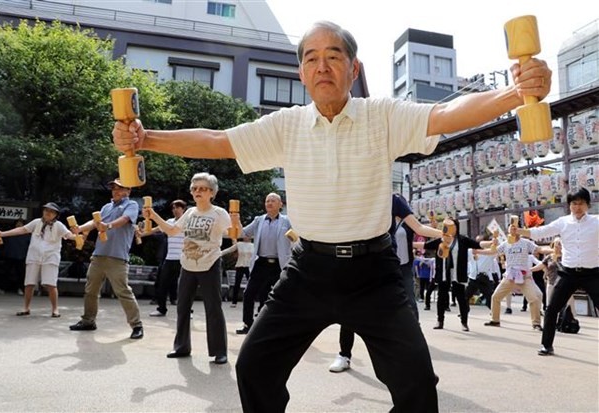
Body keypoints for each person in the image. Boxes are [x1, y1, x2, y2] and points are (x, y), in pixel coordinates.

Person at [113, 20, 551, 412]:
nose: (322, 66)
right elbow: (217, 140)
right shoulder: (286, 126)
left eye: (334, 56)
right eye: (311, 59)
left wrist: (516, 93)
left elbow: (444, 114)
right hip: (309, 271)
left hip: (374, 274)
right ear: (301, 72)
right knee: (254, 368)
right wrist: (145, 137)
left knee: (417, 383)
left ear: (353, 69)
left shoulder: (381, 115)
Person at [329, 193, 442, 373]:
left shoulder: (393, 199)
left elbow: (419, 228)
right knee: (349, 311)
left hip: (388, 264)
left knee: (402, 312)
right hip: (357, 262)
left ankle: (417, 367)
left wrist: (445, 233)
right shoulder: (354, 194)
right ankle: (344, 355)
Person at [143, 173, 231, 364]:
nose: (197, 191)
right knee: (182, 306)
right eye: (194, 188)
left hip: (210, 263)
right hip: (187, 264)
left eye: (202, 188)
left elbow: (234, 233)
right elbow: (173, 230)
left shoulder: (219, 213)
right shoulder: (189, 213)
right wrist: (154, 216)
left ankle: (219, 351)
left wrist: (237, 222)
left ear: (212, 193)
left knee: (213, 307)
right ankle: (182, 347)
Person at [511, 187, 598, 356]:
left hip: (593, 273)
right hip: (568, 273)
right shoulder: (563, 222)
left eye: (581, 203)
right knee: (551, 309)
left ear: (588, 205)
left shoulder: (596, 221)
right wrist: (519, 231)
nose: (577, 207)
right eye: (574, 203)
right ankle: (546, 345)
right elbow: (540, 232)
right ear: (569, 205)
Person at [69, 179, 144, 340]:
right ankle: (88, 321)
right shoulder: (106, 207)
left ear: (128, 191)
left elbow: (124, 220)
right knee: (91, 291)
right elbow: (95, 223)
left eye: (120, 188)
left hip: (117, 257)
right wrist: (80, 228)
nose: (116, 191)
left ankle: (137, 325)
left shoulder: (131, 205)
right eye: (114, 188)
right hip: (98, 255)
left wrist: (107, 226)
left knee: (123, 292)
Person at [0, 203, 76, 317]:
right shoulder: (36, 222)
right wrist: (2, 234)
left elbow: (69, 235)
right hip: (34, 255)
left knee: (51, 284)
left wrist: (77, 236)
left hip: (50, 256)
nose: (48, 212)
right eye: (46, 210)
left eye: (51, 211)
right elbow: (22, 229)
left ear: (55, 215)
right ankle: (26, 308)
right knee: (29, 283)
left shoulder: (59, 225)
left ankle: (55, 309)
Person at [234, 193, 292, 335]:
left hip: (279, 264)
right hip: (261, 263)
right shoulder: (259, 220)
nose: (269, 203)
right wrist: (236, 221)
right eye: (267, 201)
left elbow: (295, 239)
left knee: (282, 295)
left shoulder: (287, 221)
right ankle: (248, 324)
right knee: (249, 293)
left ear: (280, 204)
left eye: (273, 201)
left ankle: (283, 326)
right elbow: (242, 233)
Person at [420, 219, 489, 331]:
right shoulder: (441, 240)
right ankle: (440, 321)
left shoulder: (462, 240)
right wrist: (409, 244)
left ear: (456, 227)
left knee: (461, 298)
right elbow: (425, 245)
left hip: (458, 273)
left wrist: (491, 243)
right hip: (443, 273)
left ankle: (464, 322)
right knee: (441, 297)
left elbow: (478, 244)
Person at [481, 224, 551, 331]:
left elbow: (539, 249)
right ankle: (495, 320)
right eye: (510, 229)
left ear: (519, 230)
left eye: (514, 228)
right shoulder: (506, 244)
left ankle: (536, 324)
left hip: (524, 276)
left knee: (534, 299)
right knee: (495, 297)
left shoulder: (526, 243)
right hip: (509, 276)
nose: (512, 231)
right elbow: (493, 251)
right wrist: (479, 250)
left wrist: (552, 250)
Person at [147, 199, 187, 317]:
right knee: (162, 284)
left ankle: (186, 311)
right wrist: (142, 233)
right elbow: (156, 229)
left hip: (183, 259)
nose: (175, 210)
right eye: (173, 208)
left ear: (183, 209)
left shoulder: (187, 221)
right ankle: (161, 309)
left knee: (185, 287)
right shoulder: (169, 221)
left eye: (177, 207)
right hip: (169, 259)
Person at [0, 218, 30, 296]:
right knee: (4, 273)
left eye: (21, 223)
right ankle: (1, 288)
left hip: (21, 256)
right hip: (9, 255)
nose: (19, 225)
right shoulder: (9, 233)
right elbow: (0, 241)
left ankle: (21, 289)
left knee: (21, 274)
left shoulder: (27, 235)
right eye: (18, 223)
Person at [465, 235, 500, 310]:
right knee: (465, 297)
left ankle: (494, 314)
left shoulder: (490, 252)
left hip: (485, 278)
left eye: (480, 241)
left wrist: (494, 242)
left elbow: (497, 250)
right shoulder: (471, 251)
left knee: (490, 298)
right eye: (476, 241)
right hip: (473, 277)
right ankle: (464, 312)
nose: (478, 243)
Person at [221, 236, 254, 308]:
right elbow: (229, 250)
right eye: (245, 236)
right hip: (240, 265)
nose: (246, 237)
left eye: (248, 236)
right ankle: (234, 302)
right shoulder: (239, 244)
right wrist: (220, 253)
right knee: (237, 284)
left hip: (249, 266)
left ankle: (250, 302)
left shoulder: (253, 246)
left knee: (251, 285)